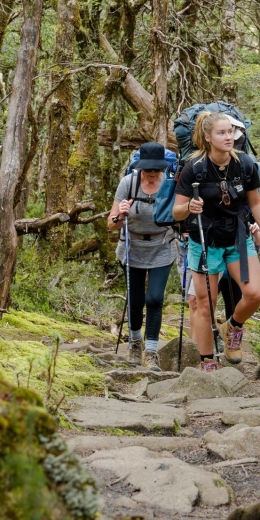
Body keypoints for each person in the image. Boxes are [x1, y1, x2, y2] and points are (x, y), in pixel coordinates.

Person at [172, 111, 260, 371]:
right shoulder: (194, 168)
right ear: (208, 137)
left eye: (230, 132)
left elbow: (255, 202)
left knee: (255, 293)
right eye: (222, 133)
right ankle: (207, 362)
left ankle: (232, 327)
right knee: (206, 305)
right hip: (205, 241)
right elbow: (176, 211)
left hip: (237, 238)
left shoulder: (245, 164)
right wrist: (191, 207)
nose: (228, 137)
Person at [108, 141, 175, 371]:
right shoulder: (128, 183)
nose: (152, 175)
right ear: (140, 168)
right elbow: (111, 224)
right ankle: (135, 343)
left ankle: (151, 352)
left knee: (154, 298)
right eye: (148, 170)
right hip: (132, 246)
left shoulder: (169, 184)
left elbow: (179, 215)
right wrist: (121, 214)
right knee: (135, 301)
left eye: (156, 170)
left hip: (162, 246)